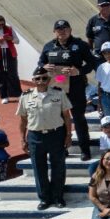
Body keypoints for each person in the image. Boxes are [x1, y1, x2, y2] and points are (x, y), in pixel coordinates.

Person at [38, 19, 95, 160]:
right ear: (54, 31)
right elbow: (41, 62)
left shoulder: (80, 45)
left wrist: (78, 71)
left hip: (75, 87)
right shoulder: (48, 46)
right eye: (59, 29)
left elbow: (91, 63)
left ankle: (85, 150)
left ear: (70, 30)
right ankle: (63, 149)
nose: (62, 31)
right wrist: (44, 66)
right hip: (57, 86)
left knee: (79, 118)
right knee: (59, 120)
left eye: (65, 28)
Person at [18, 66, 73, 210]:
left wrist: (68, 135)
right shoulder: (25, 96)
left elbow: (67, 116)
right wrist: (22, 139)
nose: (41, 81)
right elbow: (23, 120)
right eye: (38, 78)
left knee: (58, 167)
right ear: (33, 80)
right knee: (38, 168)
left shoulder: (59, 93)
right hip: (35, 136)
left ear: (49, 79)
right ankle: (44, 198)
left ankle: (58, 197)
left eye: (44, 78)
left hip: (56, 134)